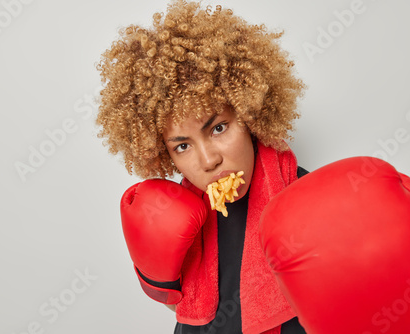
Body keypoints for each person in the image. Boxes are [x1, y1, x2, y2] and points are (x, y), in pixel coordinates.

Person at [95, 0, 308, 333]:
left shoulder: (310, 198)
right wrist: (156, 273)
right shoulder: (173, 213)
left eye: (218, 128)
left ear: (249, 114)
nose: (209, 161)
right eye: (182, 146)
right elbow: (191, 314)